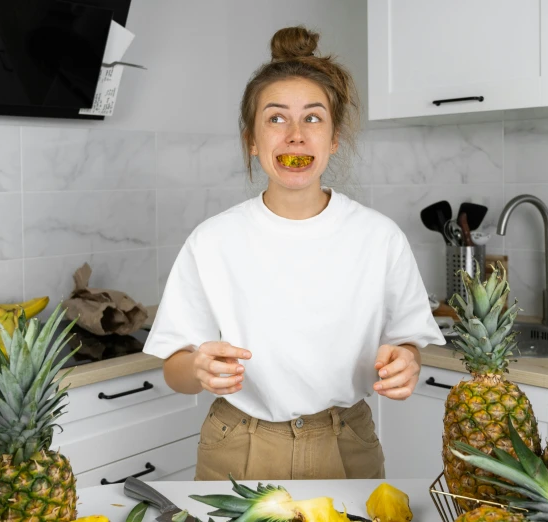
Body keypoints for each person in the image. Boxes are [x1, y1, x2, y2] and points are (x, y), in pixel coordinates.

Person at [142, 25, 445, 481]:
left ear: (334, 137)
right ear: (252, 139)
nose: (296, 135)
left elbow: (408, 342)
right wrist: (200, 369)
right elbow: (174, 369)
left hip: (348, 442)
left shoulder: (379, 237)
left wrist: (406, 362)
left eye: (313, 118)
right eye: (277, 118)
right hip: (237, 446)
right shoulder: (213, 240)